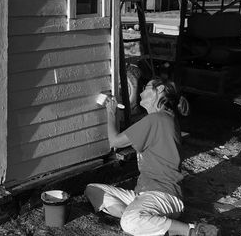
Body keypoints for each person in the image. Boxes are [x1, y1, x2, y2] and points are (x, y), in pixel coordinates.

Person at [85, 78, 220, 236]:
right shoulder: (163, 118)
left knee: (129, 222)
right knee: (92, 189)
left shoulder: (156, 119)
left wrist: (110, 112)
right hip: (144, 193)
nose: (140, 92)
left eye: (145, 87)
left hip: (164, 195)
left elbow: (115, 141)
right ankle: (145, 221)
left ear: (160, 89)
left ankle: (192, 231)